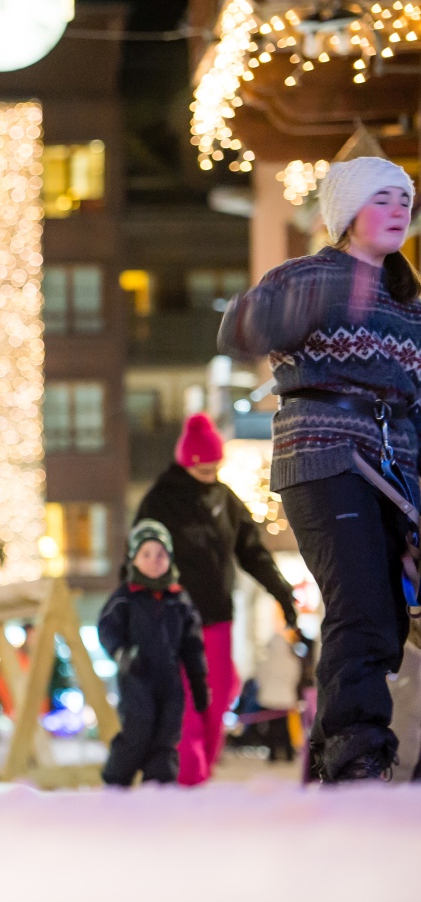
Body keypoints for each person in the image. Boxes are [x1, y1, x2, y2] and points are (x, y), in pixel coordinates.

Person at [218, 156, 421, 782]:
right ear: (348, 211)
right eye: (382, 198)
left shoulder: (410, 302)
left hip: (398, 468)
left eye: (405, 199)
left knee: (391, 617)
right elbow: (238, 329)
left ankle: (355, 748)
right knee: (360, 604)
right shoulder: (309, 276)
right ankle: (354, 754)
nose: (398, 210)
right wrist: (305, 303)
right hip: (324, 453)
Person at [135, 412, 299, 785]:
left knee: (223, 690)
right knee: (191, 701)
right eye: (203, 469)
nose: (210, 474)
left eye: (214, 467)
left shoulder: (224, 499)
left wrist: (282, 592)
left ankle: (201, 772)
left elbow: (252, 552)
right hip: (174, 618)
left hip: (219, 616)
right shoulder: (161, 500)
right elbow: (139, 558)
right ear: (188, 462)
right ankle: (189, 779)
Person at [99, 520, 209, 787]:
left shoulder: (179, 599)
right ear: (133, 559)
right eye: (146, 554)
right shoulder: (125, 597)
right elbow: (107, 628)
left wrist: (199, 682)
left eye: (160, 554)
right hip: (137, 676)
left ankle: (158, 787)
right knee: (138, 730)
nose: (154, 560)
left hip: (169, 680)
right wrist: (122, 653)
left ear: (169, 558)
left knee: (167, 734)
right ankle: (116, 783)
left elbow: (192, 644)